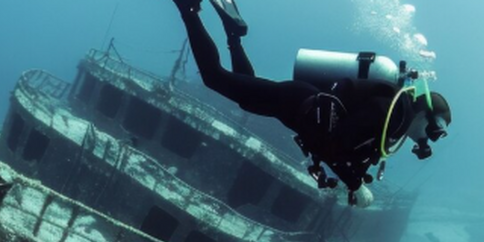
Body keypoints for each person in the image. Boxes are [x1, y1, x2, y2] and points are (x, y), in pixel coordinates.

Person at [172, 0, 451, 205]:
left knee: (246, 98)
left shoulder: (396, 120)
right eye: (433, 133)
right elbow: (335, 142)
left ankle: (233, 35)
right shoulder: (394, 111)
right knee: (214, 77)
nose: (425, 141)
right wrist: (353, 182)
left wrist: (354, 177)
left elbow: (347, 140)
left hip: (299, 105)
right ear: (428, 117)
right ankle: (190, 9)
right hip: (297, 102)